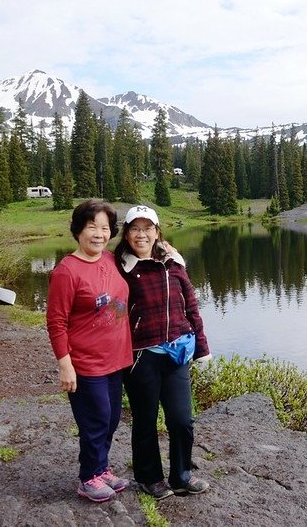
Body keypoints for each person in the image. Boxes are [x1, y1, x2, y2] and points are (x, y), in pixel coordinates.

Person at [115, 204, 211, 500]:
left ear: (157, 232)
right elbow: (111, 309)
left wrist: (202, 348)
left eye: (148, 228)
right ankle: (150, 478)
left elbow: (191, 306)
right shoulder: (120, 267)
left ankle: (181, 476)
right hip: (141, 355)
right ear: (127, 234)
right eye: (135, 228)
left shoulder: (174, 262)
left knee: (182, 419)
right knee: (145, 419)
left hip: (178, 352)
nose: (141, 234)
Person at [46, 199, 133, 503]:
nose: (99, 233)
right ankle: (88, 478)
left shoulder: (109, 259)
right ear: (78, 230)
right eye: (92, 227)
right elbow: (56, 322)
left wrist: (172, 254)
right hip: (86, 361)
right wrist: (64, 364)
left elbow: (146, 250)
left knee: (110, 418)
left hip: (116, 358)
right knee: (95, 419)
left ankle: (102, 468)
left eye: (105, 228)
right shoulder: (66, 272)